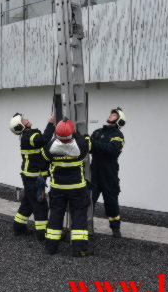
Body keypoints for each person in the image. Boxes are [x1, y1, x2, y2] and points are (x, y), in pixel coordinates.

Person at [41, 118, 92, 257]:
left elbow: (44, 160)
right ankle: (79, 249)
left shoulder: (50, 147)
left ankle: (51, 247)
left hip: (58, 188)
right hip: (77, 188)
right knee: (79, 216)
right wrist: (77, 133)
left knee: (56, 216)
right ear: (72, 132)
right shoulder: (81, 144)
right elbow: (87, 142)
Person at [9, 113, 55, 240]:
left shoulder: (28, 136)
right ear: (20, 126)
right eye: (23, 120)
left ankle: (18, 227)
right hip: (34, 177)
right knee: (40, 205)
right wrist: (51, 123)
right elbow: (44, 139)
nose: (26, 119)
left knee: (28, 203)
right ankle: (42, 234)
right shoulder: (30, 136)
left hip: (31, 176)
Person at [89, 107, 126, 238]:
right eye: (111, 113)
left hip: (109, 174)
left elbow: (112, 150)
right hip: (94, 172)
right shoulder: (98, 132)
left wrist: (94, 143)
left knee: (111, 202)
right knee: (89, 200)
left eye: (114, 115)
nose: (111, 115)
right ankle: (87, 227)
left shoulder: (118, 136)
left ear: (119, 121)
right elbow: (90, 149)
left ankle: (115, 229)